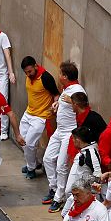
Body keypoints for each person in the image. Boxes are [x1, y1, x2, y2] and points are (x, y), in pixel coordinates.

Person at [42, 61, 85, 211]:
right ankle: (54, 188)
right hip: (59, 131)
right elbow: (64, 102)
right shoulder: (66, 88)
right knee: (47, 159)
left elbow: (83, 107)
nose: (58, 75)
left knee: (61, 166)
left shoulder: (78, 90)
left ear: (65, 76)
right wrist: (57, 105)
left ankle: (59, 197)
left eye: (60, 73)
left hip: (69, 133)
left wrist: (71, 101)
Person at [18, 56, 59, 180]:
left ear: (36, 66)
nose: (28, 74)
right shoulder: (29, 76)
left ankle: (31, 169)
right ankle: (35, 163)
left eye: (30, 71)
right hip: (28, 113)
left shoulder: (46, 78)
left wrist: (55, 104)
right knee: (22, 141)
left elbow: (56, 94)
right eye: (25, 72)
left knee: (30, 144)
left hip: (41, 117)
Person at [58, 126, 102, 219]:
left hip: (84, 194)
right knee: (65, 215)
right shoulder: (83, 152)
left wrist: (88, 191)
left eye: (73, 139)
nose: (72, 141)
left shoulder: (92, 154)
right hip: (76, 192)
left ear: (78, 140)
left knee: (66, 217)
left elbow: (98, 175)